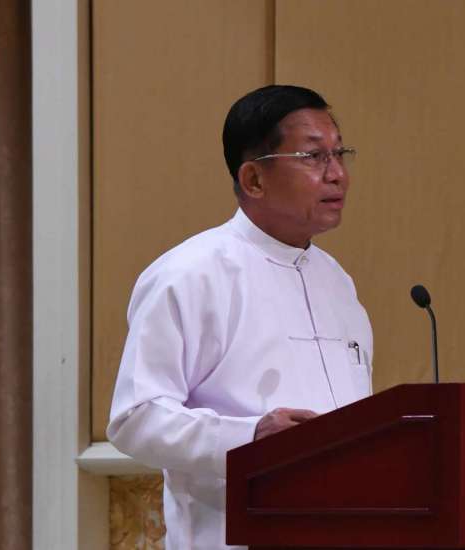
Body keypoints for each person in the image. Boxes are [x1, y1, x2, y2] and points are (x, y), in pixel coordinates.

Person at [107, 85, 373, 550]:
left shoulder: (336, 280)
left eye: (339, 154)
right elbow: (136, 418)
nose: (337, 175)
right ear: (253, 179)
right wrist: (250, 436)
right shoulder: (190, 274)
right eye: (313, 157)